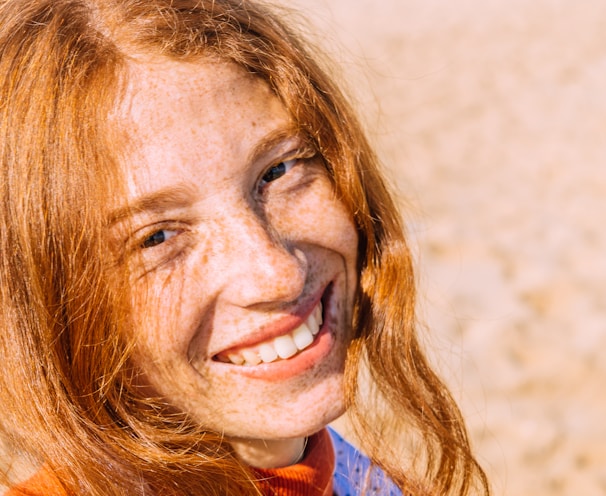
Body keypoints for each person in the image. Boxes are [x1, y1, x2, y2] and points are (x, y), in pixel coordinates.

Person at [0, 0, 490, 494]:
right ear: (44, 305)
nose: (277, 272)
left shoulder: (343, 473)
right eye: (157, 237)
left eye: (279, 171)